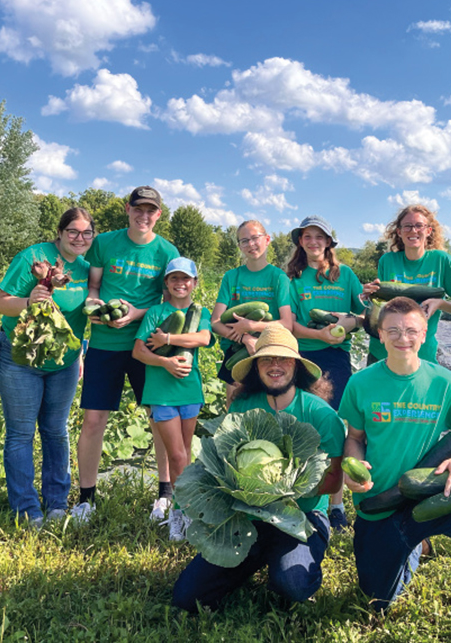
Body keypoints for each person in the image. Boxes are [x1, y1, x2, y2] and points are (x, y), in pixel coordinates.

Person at [341, 297, 451, 643]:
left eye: (411, 330)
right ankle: (417, 548)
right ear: (380, 335)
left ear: (425, 333)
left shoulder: (443, 382)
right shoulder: (361, 383)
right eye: (393, 330)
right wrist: (351, 467)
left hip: (436, 491)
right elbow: (354, 438)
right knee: (376, 597)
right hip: (381, 501)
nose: (403, 338)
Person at [172, 325, 345, 612]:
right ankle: (259, 553)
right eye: (266, 359)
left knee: (293, 586)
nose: (275, 366)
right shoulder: (243, 408)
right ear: (255, 366)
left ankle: (284, 559)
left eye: (283, 359)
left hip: (302, 517)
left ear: (297, 366)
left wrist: (284, 491)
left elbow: (333, 481)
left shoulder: (321, 415)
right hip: (245, 516)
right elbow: (220, 459)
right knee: (187, 597)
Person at [74, 186, 179, 524]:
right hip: (104, 344)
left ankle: (164, 494)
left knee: (158, 418)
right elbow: (93, 287)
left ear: (159, 215)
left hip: (146, 346)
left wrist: (136, 315)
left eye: (151, 210)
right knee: (93, 421)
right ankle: (86, 499)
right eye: (138, 208)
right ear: (127, 209)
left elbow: (170, 302)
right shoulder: (104, 243)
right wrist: (93, 305)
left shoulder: (166, 251)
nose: (143, 216)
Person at [0, 207, 93, 528]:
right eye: (73, 232)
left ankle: (56, 504)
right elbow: (1, 302)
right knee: (21, 433)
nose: (79, 238)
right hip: (21, 356)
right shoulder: (33, 257)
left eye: (86, 233)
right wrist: (28, 301)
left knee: (55, 430)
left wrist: (80, 353)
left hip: (63, 360)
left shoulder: (88, 270)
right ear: (61, 232)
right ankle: (27, 510)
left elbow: (80, 318)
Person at [285, 214, 364, 531]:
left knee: (334, 427)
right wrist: (318, 334)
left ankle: (335, 504)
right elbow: (290, 324)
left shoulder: (344, 275)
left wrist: (347, 323)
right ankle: (303, 497)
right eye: (307, 236)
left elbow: (363, 314)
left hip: (335, 359)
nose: (313, 241)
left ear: (329, 242)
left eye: (320, 236)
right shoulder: (293, 278)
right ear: (300, 242)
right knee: (302, 426)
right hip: (302, 355)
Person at [132, 257, 213, 541]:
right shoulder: (156, 312)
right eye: (175, 279)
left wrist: (167, 340)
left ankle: (183, 510)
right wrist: (165, 362)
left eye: (186, 279)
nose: (181, 283)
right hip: (161, 393)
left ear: (194, 283)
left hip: (190, 390)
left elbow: (203, 338)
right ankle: (182, 514)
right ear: (166, 283)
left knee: (186, 453)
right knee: (177, 455)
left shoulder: (199, 313)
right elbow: (139, 352)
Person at [363, 204, 451, 365]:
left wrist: (440, 304)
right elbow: (382, 304)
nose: (413, 230)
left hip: (422, 354)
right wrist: (370, 296)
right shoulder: (387, 260)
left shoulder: (441, 260)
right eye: (407, 226)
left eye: (419, 226)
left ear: (428, 231)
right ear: (399, 232)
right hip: (383, 352)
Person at [211, 220, 294, 404]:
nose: (251, 244)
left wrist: (252, 326)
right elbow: (216, 322)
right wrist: (246, 338)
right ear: (239, 246)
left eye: (255, 238)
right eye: (244, 241)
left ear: (267, 239)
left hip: (269, 352)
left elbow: (287, 323)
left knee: (270, 410)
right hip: (236, 351)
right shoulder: (231, 277)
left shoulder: (279, 277)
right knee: (234, 409)